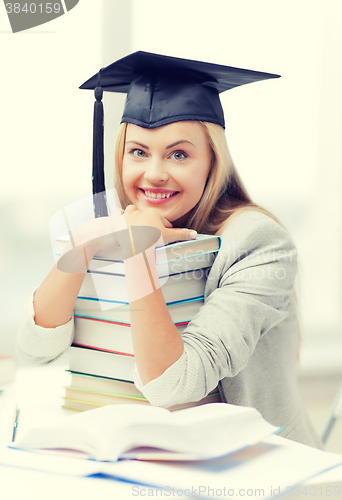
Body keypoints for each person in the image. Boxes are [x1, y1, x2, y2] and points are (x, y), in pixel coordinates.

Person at [16, 51, 323, 449]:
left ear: (213, 161)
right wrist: (82, 244)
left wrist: (139, 252)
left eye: (179, 154)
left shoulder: (258, 242)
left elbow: (173, 385)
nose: (155, 172)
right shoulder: (102, 225)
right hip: (122, 464)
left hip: (247, 466)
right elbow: (34, 352)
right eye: (139, 152)